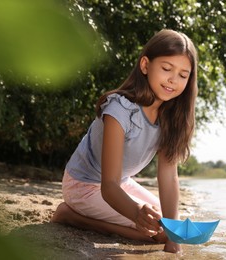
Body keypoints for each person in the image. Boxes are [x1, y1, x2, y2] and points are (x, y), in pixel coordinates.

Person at [51, 29, 198, 253]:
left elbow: (168, 177)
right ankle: (71, 216)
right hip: (84, 185)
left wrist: (174, 236)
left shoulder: (170, 118)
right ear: (145, 65)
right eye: (167, 69)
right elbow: (108, 187)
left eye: (183, 75)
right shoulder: (119, 109)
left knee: (172, 227)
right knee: (157, 233)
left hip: (121, 183)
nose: (173, 80)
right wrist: (137, 213)